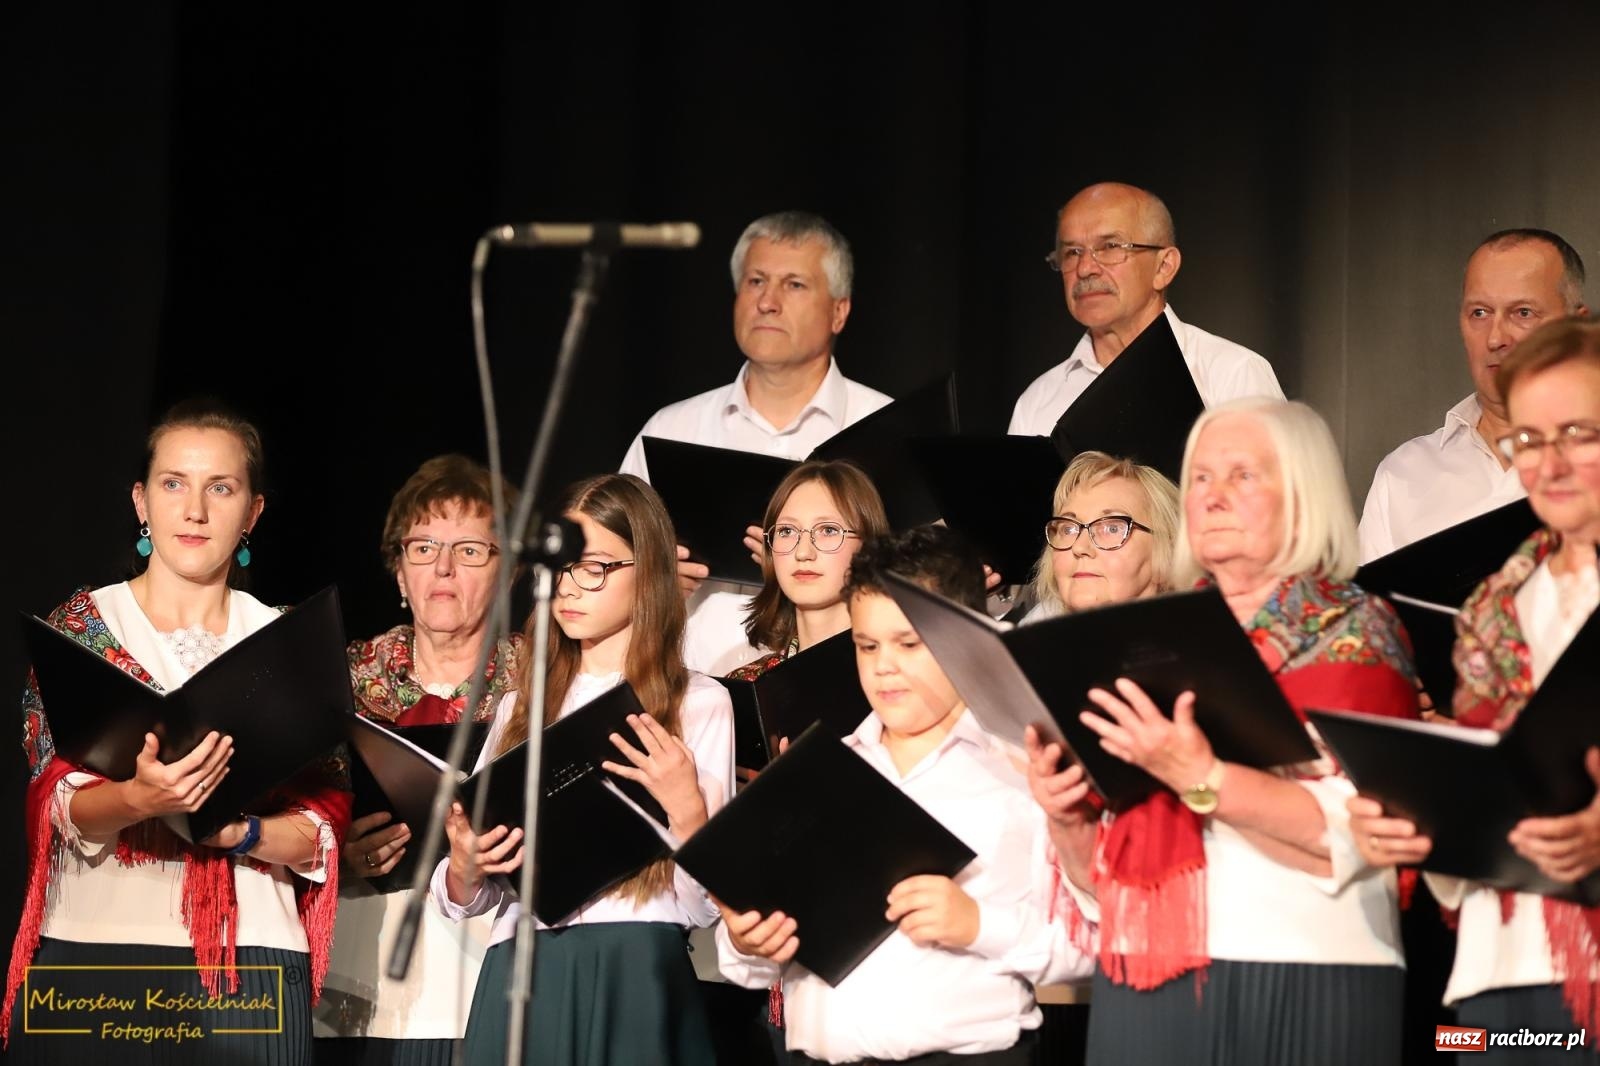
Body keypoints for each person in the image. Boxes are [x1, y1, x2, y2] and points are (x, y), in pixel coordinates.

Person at [1031, 397, 1420, 1065]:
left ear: (1302, 496)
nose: (1211, 496)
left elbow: (1354, 841)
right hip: (1141, 972)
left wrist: (1201, 778)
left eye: (1242, 476)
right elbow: (1100, 884)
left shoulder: (1354, 631)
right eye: (1201, 477)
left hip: (1301, 966)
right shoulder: (1143, 638)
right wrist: (1065, 814)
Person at [4, 398, 350, 1065]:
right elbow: (56, 798)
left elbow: (324, 816)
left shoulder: (289, 642)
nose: (195, 509)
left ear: (253, 512)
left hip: (250, 963)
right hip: (94, 948)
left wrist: (238, 832)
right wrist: (139, 800)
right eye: (173, 484)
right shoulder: (82, 628)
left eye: (220, 488)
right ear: (141, 501)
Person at [716, 525, 1091, 1064]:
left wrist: (978, 925)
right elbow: (755, 964)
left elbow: (1096, 945)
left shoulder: (1021, 773)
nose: (884, 666)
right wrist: (746, 943)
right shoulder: (823, 772)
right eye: (867, 646)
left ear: (966, 636)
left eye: (909, 644)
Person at [1352, 318, 1600, 1061]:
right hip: (1498, 969)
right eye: (1528, 439)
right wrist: (1412, 828)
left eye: (1578, 433)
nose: (1548, 463)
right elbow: (1481, 793)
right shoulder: (1495, 608)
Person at [432, 473, 734, 1066]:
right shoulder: (523, 705)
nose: (571, 586)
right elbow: (472, 894)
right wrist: (464, 865)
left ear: (645, 570)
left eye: (593, 567)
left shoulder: (697, 702)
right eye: (563, 568)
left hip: (637, 961)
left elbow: (705, 907)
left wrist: (688, 808)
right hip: (522, 963)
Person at [316, 455, 525, 1064]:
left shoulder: (541, 682)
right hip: (364, 957)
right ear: (399, 573)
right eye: (423, 546)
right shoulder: (343, 678)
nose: (442, 566)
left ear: (507, 571)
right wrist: (339, 850)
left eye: (469, 549)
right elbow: (297, 810)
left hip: (492, 956)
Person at [618, 210, 891, 675]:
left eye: (794, 285)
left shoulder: (884, 427)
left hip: (842, 686)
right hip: (690, 688)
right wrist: (652, 580)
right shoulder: (672, 428)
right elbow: (605, 567)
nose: (768, 302)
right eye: (755, 282)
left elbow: (928, 586)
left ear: (839, 311)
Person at [1359, 228, 1589, 562]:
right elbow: (1369, 613)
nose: (1495, 338)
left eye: (1522, 313)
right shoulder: (1403, 474)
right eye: (1479, 313)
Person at [1008, 182, 1283, 437]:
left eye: (1110, 247)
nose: (1085, 268)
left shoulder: (1231, 376)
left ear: (1164, 267)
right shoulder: (1037, 402)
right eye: (1072, 252)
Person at [729, 458, 889, 680]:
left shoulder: (896, 678)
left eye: (828, 530)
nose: (803, 553)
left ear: (869, 545)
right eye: (786, 531)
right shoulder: (747, 685)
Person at [1024, 450, 1181, 622]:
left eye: (1112, 528)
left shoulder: (1206, 643)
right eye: (1068, 529)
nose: (1079, 547)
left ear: (1169, 547)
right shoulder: (1028, 638)